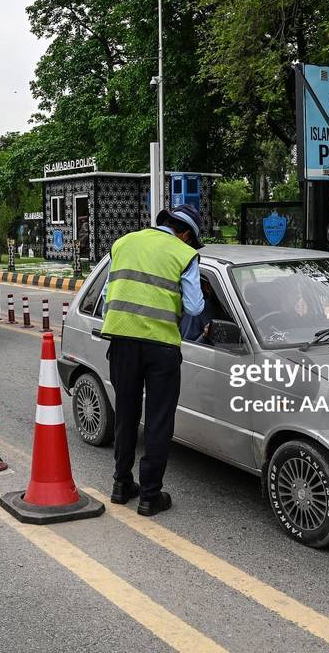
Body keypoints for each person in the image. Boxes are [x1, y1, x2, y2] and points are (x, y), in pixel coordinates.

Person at [100, 203, 205, 516]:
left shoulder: (123, 243)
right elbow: (195, 307)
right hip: (161, 346)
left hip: (121, 340)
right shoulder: (184, 254)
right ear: (185, 234)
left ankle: (121, 485)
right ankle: (149, 496)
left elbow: (107, 295)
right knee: (158, 421)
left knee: (126, 414)